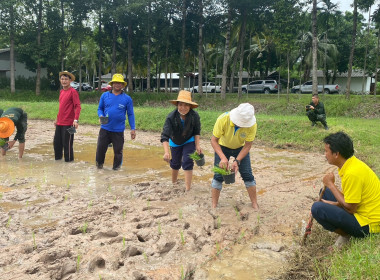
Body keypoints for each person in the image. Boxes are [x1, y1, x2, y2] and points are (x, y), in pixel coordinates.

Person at [311, 132, 380, 247]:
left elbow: (351, 209)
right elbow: (349, 199)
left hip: (370, 224)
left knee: (317, 208)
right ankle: (345, 228)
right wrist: (329, 203)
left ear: (336, 154)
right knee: (325, 194)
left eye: (326, 151)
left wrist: (331, 185)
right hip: (361, 209)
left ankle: (346, 236)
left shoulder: (352, 173)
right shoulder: (351, 164)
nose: (325, 154)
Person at [210, 103, 259, 210]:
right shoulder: (223, 119)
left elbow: (248, 145)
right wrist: (223, 157)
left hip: (240, 148)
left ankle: (255, 204)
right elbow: (214, 140)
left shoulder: (252, 124)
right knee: (218, 175)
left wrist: (237, 161)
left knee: (247, 175)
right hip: (222, 146)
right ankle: (214, 205)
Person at [160, 90, 202, 191]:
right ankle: (174, 183)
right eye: (181, 105)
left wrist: (197, 145)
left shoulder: (194, 116)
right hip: (175, 141)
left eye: (186, 105)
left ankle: (188, 188)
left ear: (190, 106)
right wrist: (166, 152)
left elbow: (197, 131)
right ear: (177, 105)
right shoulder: (171, 117)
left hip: (189, 140)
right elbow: (165, 136)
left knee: (187, 161)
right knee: (175, 163)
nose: (183, 108)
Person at [96, 74, 136, 170]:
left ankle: (116, 170)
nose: (117, 84)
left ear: (122, 85)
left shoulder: (127, 99)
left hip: (118, 130)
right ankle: (99, 167)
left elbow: (130, 114)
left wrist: (133, 128)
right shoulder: (105, 95)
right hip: (105, 128)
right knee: (100, 150)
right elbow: (100, 109)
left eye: (120, 83)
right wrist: (101, 115)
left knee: (118, 152)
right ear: (112, 84)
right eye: (115, 82)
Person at [54, 71, 81, 162]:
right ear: (60, 80)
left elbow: (77, 106)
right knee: (57, 144)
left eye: (66, 79)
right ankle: (58, 162)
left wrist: (76, 120)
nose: (64, 81)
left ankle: (69, 164)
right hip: (60, 122)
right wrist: (57, 119)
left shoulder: (73, 92)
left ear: (70, 81)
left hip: (69, 123)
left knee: (68, 145)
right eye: (62, 79)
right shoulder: (61, 91)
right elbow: (61, 107)